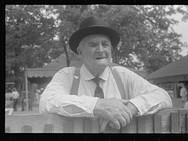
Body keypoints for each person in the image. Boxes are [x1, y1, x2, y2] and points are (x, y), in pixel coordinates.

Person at [39, 16, 172, 132]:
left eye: (105, 44)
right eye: (93, 45)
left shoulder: (122, 75)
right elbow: (47, 102)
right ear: (80, 51)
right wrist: (98, 105)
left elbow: (162, 96)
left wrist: (132, 107)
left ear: (111, 50)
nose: (100, 50)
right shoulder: (67, 75)